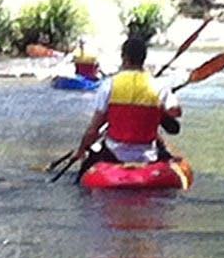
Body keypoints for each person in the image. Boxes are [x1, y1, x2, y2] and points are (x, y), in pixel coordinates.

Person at [69, 33, 182, 172]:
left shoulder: (109, 84)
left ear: (124, 57)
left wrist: (81, 151)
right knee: (166, 151)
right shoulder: (158, 85)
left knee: (84, 169)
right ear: (144, 58)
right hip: (148, 155)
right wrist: (159, 108)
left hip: (113, 154)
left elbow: (93, 130)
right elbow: (176, 112)